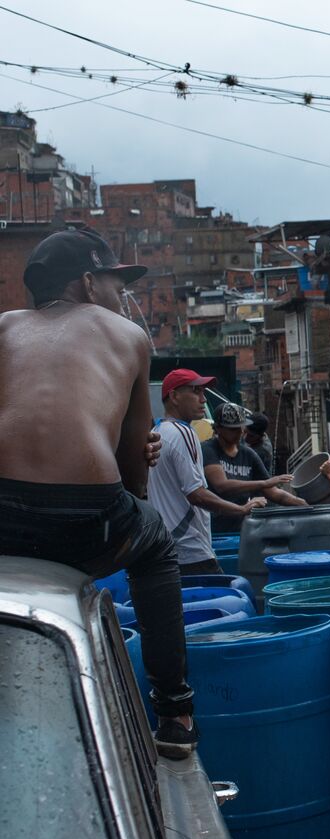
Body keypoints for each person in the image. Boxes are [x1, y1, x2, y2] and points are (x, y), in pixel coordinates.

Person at [0, 227, 197, 758]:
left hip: (4, 518)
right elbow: (134, 480)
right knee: (156, 549)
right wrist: (133, 458)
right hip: (88, 519)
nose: (121, 295)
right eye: (116, 282)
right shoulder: (127, 335)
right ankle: (175, 713)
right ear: (88, 283)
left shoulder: (3, 328)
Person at [151, 370, 266, 575]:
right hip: (190, 549)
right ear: (174, 396)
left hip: (167, 547)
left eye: (204, 392)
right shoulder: (184, 433)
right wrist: (241, 509)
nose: (203, 399)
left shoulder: (157, 432)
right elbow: (197, 494)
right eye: (196, 391)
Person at [203, 403, 305, 534]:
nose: (240, 432)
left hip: (240, 530)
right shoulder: (208, 450)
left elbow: (272, 492)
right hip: (212, 531)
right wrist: (265, 483)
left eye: (241, 427)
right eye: (233, 429)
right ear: (218, 428)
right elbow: (221, 485)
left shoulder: (248, 454)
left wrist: (302, 504)